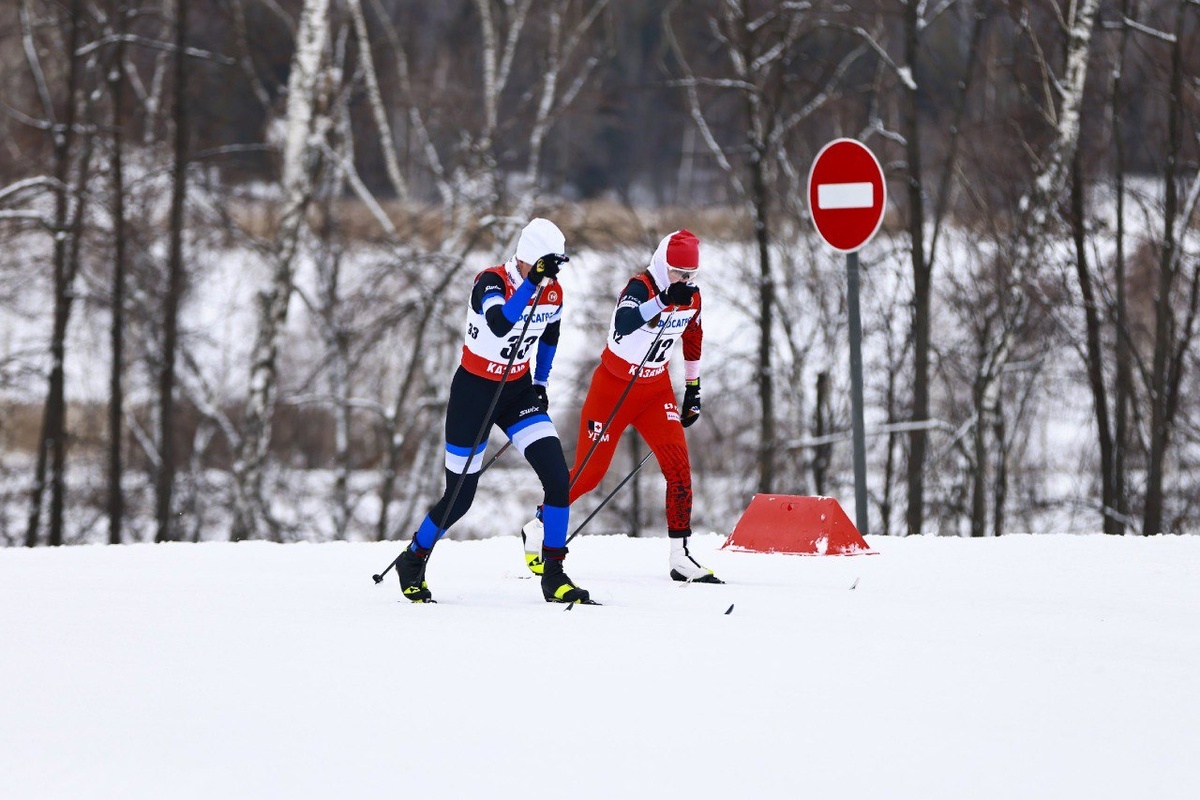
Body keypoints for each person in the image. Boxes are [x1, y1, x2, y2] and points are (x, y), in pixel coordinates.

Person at [394, 218, 592, 604]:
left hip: (517, 390)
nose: (552, 276)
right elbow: (500, 323)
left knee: (557, 476)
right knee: (460, 497)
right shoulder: (491, 281)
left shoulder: (551, 292)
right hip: (475, 391)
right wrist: (532, 282)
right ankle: (414, 558)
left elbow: (550, 336)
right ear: (528, 260)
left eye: (556, 268)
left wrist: (540, 383)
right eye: (546, 266)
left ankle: (554, 574)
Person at [521, 229, 722, 584]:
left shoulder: (691, 297)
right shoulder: (640, 287)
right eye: (678, 272)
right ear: (663, 264)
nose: (685, 280)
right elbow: (624, 323)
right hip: (613, 388)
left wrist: (693, 388)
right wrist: (662, 300)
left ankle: (680, 555)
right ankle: (539, 524)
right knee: (589, 474)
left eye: (691, 274)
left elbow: (693, 338)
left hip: (655, 391)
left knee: (679, 467)